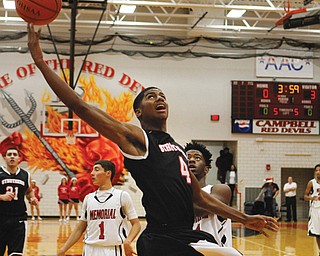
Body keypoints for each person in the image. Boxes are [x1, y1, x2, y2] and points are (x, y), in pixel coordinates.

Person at [28, 24, 278, 256]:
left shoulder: (177, 149)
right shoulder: (138, 139)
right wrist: (40, 61)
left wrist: (244, 218)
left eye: (162, 95)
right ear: (138, 112)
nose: (159, 98)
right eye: (151, 96)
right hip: (162, 237)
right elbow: (79, 105)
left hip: (184, 234)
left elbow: (199, 198)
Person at [57, 160, 141, 256]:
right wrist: (63, 249)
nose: (92, 173)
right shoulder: (88, 198)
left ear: (108, 173)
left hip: (112, 250)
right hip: (89, 249)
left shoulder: (122, 196)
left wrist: (128, 241)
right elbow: (79, 228)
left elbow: (136, 224)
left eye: (96, 170)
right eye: (92, 170)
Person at [186, 142, 241, 255]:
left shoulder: (220, 189)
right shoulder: (178, 193)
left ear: (206, 169)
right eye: (187, 158)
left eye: (197, 158)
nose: (191, 160)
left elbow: (199, 209)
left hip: (215, 251)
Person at [0, 147, 39, 256]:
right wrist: (2, 197)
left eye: (14, 154)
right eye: (9, 154)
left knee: (16, 253)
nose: (12, 156)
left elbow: (29, 191)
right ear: (4, 158)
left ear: (19, 158)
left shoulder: (25, 175)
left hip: (18, 219)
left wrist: (32, 198)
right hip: (1, 218)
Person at [304, 164, 320, 255]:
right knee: (317, 233)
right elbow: (305, 196)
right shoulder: (311, 183)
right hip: (316, 210)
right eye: (316, 170)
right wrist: (311, 198)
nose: (318, 172)